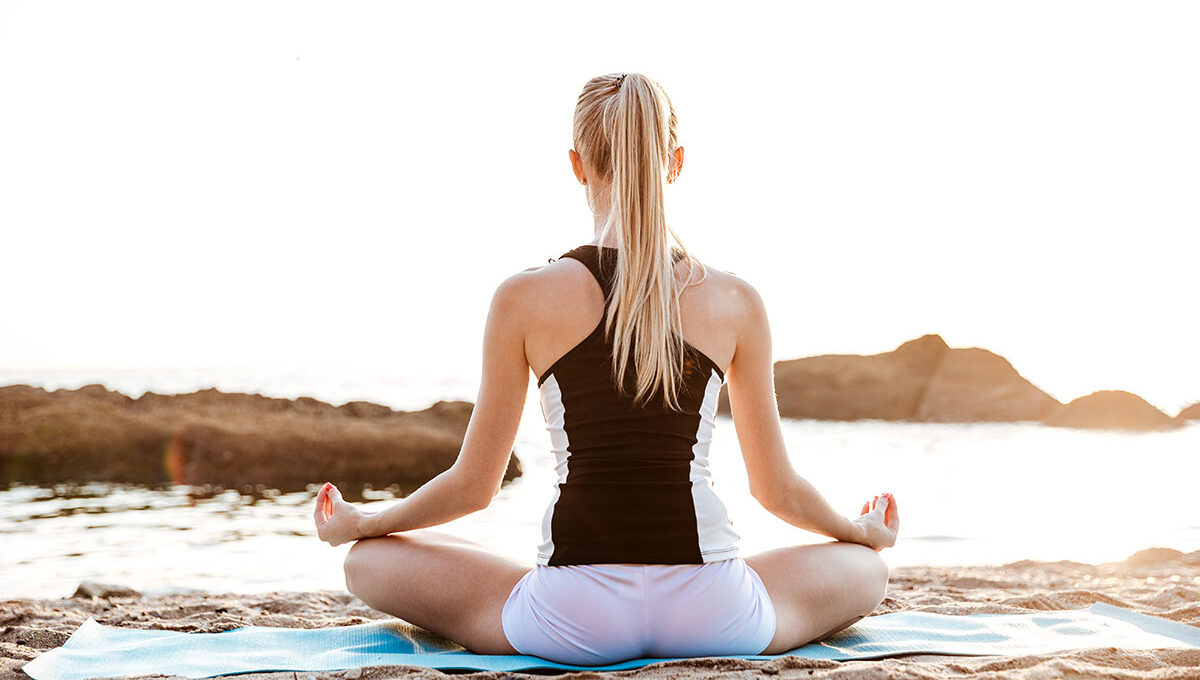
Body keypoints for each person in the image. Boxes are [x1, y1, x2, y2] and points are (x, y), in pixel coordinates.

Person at [313, 72, 899, 666]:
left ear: (578, 164)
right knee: (865, 569)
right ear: (675, 162)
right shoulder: (734, 300)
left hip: (569, 618)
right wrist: (859, 531)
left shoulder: (523, 297)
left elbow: (474, 487)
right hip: (716, 614)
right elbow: (777, 490)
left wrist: (366, 520)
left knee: (366, 558)